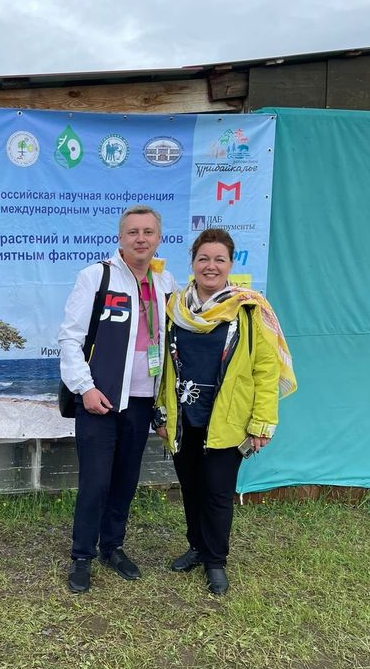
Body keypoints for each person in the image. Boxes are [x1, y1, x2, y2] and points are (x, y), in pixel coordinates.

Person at [154, 228, 296, 595]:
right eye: (203, 258)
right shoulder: (174, 308)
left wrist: (262, 422)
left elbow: (265, 369)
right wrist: (161, 413)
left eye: (219, 259)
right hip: (184, 419)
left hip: (228, 421)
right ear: (193, 262)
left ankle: (215, 561)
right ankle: (196, 548)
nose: (211, 266)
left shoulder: (249, 308)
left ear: (231, 264)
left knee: (218, 493)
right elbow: (164, 366)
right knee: (190, 488)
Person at [59, 205, 177, 593]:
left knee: (125, 481)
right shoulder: (97, 276)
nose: (140, 239)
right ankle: (82, 556)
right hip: (100, 400)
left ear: (159, 238)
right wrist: (86, 388)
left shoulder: (166, 282)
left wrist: (163, 402)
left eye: (148, 232)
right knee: (95, 483)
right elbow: (70, 339)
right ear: (120, 237)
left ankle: (113, 547)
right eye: (133, 232)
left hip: (142, 401)